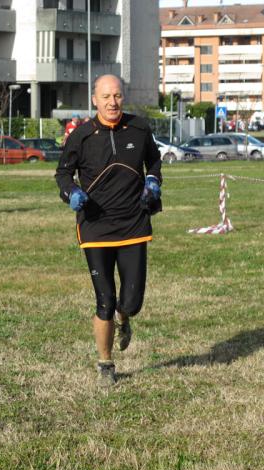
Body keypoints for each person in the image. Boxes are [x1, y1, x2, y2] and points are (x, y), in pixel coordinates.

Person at [55, 74, 162, 387]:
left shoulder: (140, 128)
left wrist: (153, 181)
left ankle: (124, 318)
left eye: (117, 96)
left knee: (131, 302)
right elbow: (62, 174)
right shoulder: (82, 136)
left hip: (133, 224)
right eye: (106, 97)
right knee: (104, 299)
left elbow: (154, 163)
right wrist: (71, 194)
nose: (112, 102)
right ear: (95, 100)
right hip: (95, 226)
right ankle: (106, 364)